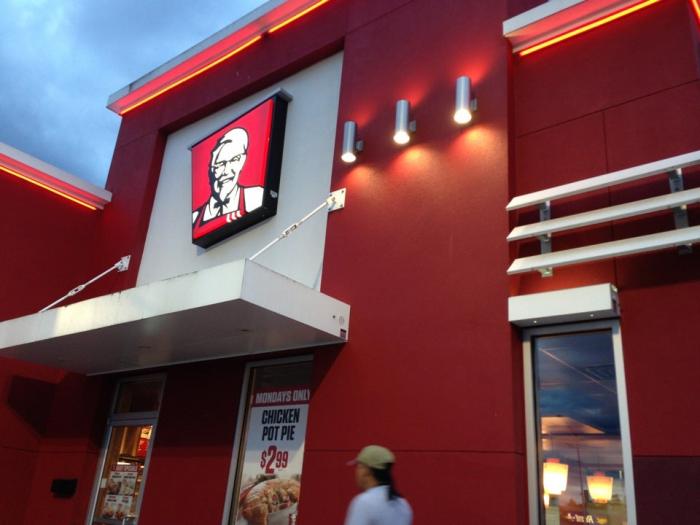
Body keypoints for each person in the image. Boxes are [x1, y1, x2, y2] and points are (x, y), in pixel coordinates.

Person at [192, 127, 264, 227]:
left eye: (234, 160)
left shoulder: (256, 197)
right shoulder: (194, 218)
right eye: (220, 164)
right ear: (211, 169)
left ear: (242, 161)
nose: (226, 171)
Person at [344, 445, 413, 525]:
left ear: (366, 470)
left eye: (358, 466)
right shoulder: (403, 504)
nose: (356, 472)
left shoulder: (364, 502)